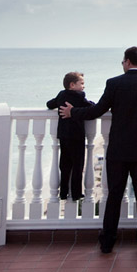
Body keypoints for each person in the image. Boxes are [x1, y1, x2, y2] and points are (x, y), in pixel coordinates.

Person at [60, 46, 137, 254]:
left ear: (128, 61)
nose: (122, 64)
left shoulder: (114, 83)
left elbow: (97, 110)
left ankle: (107, 242)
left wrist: (72, 111)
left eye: (123, 61)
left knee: (114, 195)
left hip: (118, 149)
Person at [47, 71, 94, 201]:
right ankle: (76, 193)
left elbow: (50, 104)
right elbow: (91, 107)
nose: (84, 86)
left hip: (63, 134)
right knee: (77, 165)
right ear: (72, 85)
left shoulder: (61, 95)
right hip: (76, 135)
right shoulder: (79, 96)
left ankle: (63, 192)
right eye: (82, 83)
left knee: (65, 164)